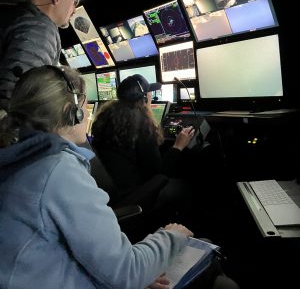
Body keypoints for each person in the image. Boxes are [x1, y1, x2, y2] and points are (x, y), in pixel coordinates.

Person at [0, 65, 239, 289]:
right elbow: (128, 272)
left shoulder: (17, 162)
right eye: (82, 104)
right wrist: (171, 235)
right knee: (209, 256)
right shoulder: (57, 170)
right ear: (72, 113)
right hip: (129, 204)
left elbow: (58, 257)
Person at [91, 74, 196, 221]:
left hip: (115, 193)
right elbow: (158, 173)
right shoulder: (140, 125)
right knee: (184, 187)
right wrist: (178, 146)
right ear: (144, 99)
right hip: (135, 195)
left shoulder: (106, 120)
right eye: (149, 94)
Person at [0, 0, 78, 112]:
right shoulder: (40, 29)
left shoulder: (17, 17)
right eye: (74, 1)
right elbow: (17, 98)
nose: (74, 10)